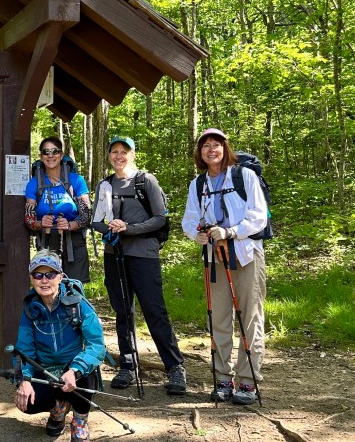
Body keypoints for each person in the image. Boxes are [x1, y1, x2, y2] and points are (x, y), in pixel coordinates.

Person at [92, 136, 187, 396]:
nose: (119, 156)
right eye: (114, 152)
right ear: (109, 155)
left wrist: (129, 229)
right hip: (114, 254)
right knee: (123, 311)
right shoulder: (105, 185)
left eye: (124, 152)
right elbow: (96, 221)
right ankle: (128, 365)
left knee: (154, 311)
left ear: (132, 154)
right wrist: (110, 227)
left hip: (144, 255)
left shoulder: (147, 181)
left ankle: (175, 367)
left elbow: (160, 218)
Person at [181, 128, 268, 405]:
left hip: (245, 253)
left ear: (225, 148)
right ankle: (222, 377)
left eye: (216, 145)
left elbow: (258, 217)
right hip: (214, 256)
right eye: (205, 145)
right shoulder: (198, 184)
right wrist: (198, 234)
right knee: (218, 318)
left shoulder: (245, 176)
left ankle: (248, 380)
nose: (211, 149)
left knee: (249, 318)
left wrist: (230, 231)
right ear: (200, 153)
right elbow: (190, 218)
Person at [13, 250, 107, 442]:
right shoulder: (30, 307)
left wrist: (75, 369)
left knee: (85, 376)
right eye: (38, 275)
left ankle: (80, 424)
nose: (44, 280)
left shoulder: (77, 304)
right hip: (45, 370)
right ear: (31, 278)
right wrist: (25, 379)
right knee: (26, 401)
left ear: (61, 276)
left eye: (50, 274)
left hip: (73, 369)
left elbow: (97, 345)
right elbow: (24, 349)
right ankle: (59, 407)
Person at [24, 136, 92, 282]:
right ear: (41, 156)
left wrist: (71, 225)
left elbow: (87, 215)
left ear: (61, 155)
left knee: (74, 290)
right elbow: (29, 218)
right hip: (46, 242)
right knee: (48, 288)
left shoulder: (77, 181)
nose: (50, 155)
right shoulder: (34, 184)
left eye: (55, 151)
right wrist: (40, 223)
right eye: (46, 152)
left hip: (74, 243)